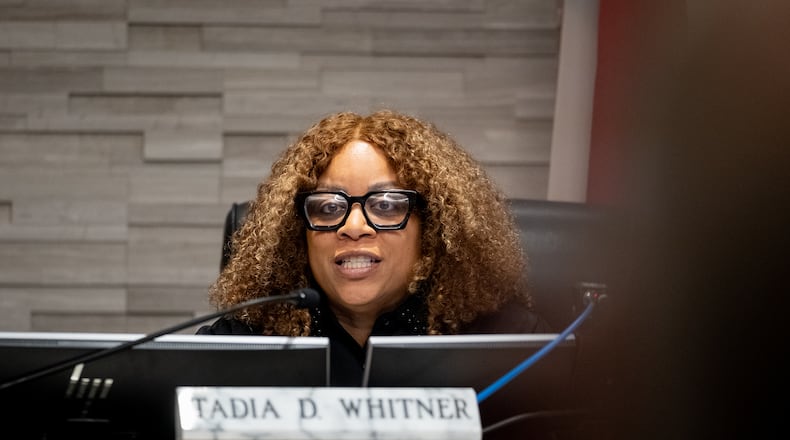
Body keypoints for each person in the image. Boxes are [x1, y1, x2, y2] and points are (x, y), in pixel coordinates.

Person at [198, 109, 551, 386]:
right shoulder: (243, 343)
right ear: (297, 232)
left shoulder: (509, 347)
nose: (353, 227)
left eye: (385, 205)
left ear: (432, 225)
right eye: (328, 207)